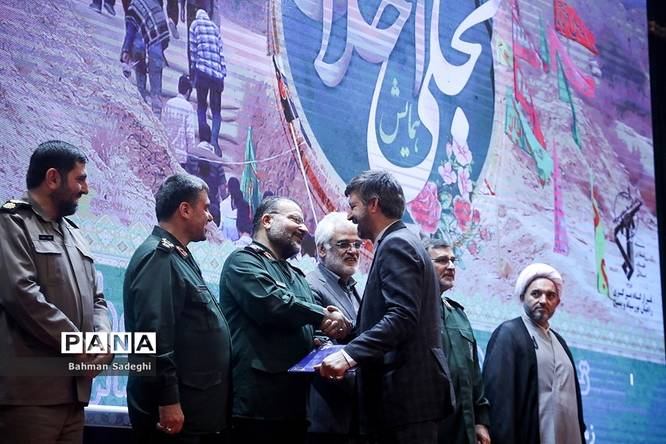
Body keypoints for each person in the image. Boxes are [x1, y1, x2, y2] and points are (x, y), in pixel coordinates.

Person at [319, 170, 454, 443]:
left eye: (353, 206)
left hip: (404, 399)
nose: (350, 216)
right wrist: (348, 333)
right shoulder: (403, 241)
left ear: (373, 204)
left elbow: (402, 317)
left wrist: (348, 355)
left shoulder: (396, 245)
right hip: (406, 402)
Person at [0, 140, 112, 442]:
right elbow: (21, 294)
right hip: (30, 398)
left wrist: (102, 341)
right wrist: (80, 344)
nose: (85, 189)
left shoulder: (74, 234)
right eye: (80, 179)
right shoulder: (12, 223)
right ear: (52, 178)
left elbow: (98, 299)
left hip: (74, 396)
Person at [219, 197, 350, 444]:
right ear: (267, 220)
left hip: (295, 406)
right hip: (256, 408)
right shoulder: (243, 261)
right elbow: (274, 304)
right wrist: (323, 315)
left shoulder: (296, 275)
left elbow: (306, 325)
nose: (304, 228)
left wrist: (322, 342)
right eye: (295, 219)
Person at [123, 174, 231, 443]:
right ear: (185, 210)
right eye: (206, 208)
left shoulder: (179, 256)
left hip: (194, 408)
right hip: (173, 413)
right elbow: (153, 335)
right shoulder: (158, 257)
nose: (210, 217)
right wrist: (167, 399)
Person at [482, 263, 585, 444]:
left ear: (557, 302)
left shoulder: (561, 344)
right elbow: (499, 403)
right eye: (536, 294)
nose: (543, 300)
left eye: (550, 296)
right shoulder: (509, 334)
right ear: (523, 297)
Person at [424, 240, 491, 444]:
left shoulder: (458, 315)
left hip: (463, 428)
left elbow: (474, 374)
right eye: (442, 260)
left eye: (453, 260)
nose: (451, 266)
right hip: (429, 426)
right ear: (423, 265)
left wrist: (480, 421)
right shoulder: (414, 311)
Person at [306, 212, 364, 444]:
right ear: (322, 249)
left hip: (356, 415)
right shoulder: (311, 286)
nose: (353, 251)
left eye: (357, 244)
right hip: (329, 413)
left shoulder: (355, 288)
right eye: (343, 244)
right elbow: (319, 350)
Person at [121, 0, 170, 117]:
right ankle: (156, 115)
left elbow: (130, 32)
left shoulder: (135, 5)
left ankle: (142, 111)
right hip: (156, 50)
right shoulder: (157, 5)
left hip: (138, 49)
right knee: (156, 88)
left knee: (140, 81)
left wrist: (125, 50)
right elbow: (164, 36)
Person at [189, 8, 226, 155]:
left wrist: (193, 73)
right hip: (217, 75)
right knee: (216, 112)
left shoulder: (194, 25)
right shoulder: (215, 28)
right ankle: (214, 142)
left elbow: (193, 52)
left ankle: (203, 140)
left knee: (201, 107)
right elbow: (221, 53)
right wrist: (223, 74)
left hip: (203, 72)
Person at [162, 75, 197, 169]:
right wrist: (192, 152)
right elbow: (190, 133)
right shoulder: (188, 107)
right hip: (180, 155)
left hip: (167, 151)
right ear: (188, 91)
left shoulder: (169, 103)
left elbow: (162, 126)